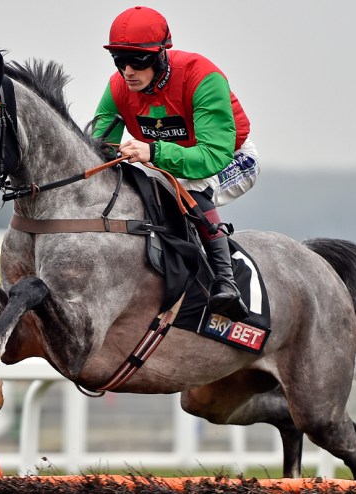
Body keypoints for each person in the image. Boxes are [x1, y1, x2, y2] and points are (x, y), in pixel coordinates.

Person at [92, 6, 260, 321]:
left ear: (160, 55)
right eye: (119, 60)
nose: (128, 71)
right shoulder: (118, 87)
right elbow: (98, 147)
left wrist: (153, 151)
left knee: (188, 188)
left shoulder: (203, 78)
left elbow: (212, 156)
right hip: (167, 163)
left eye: (137, 61)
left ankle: (226, 283)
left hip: (229, 158)